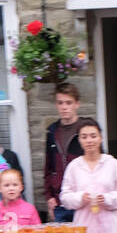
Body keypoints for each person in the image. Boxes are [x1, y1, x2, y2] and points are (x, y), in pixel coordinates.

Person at [44, 83, 95, 222]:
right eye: (60, 103)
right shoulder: (52, 132)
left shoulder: (87, 128)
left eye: (68, 103)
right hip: (61, 201)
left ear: (77, 104)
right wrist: (50, 197)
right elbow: (48, 168)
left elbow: (98, 163)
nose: (64, 107)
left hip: (84, 200)